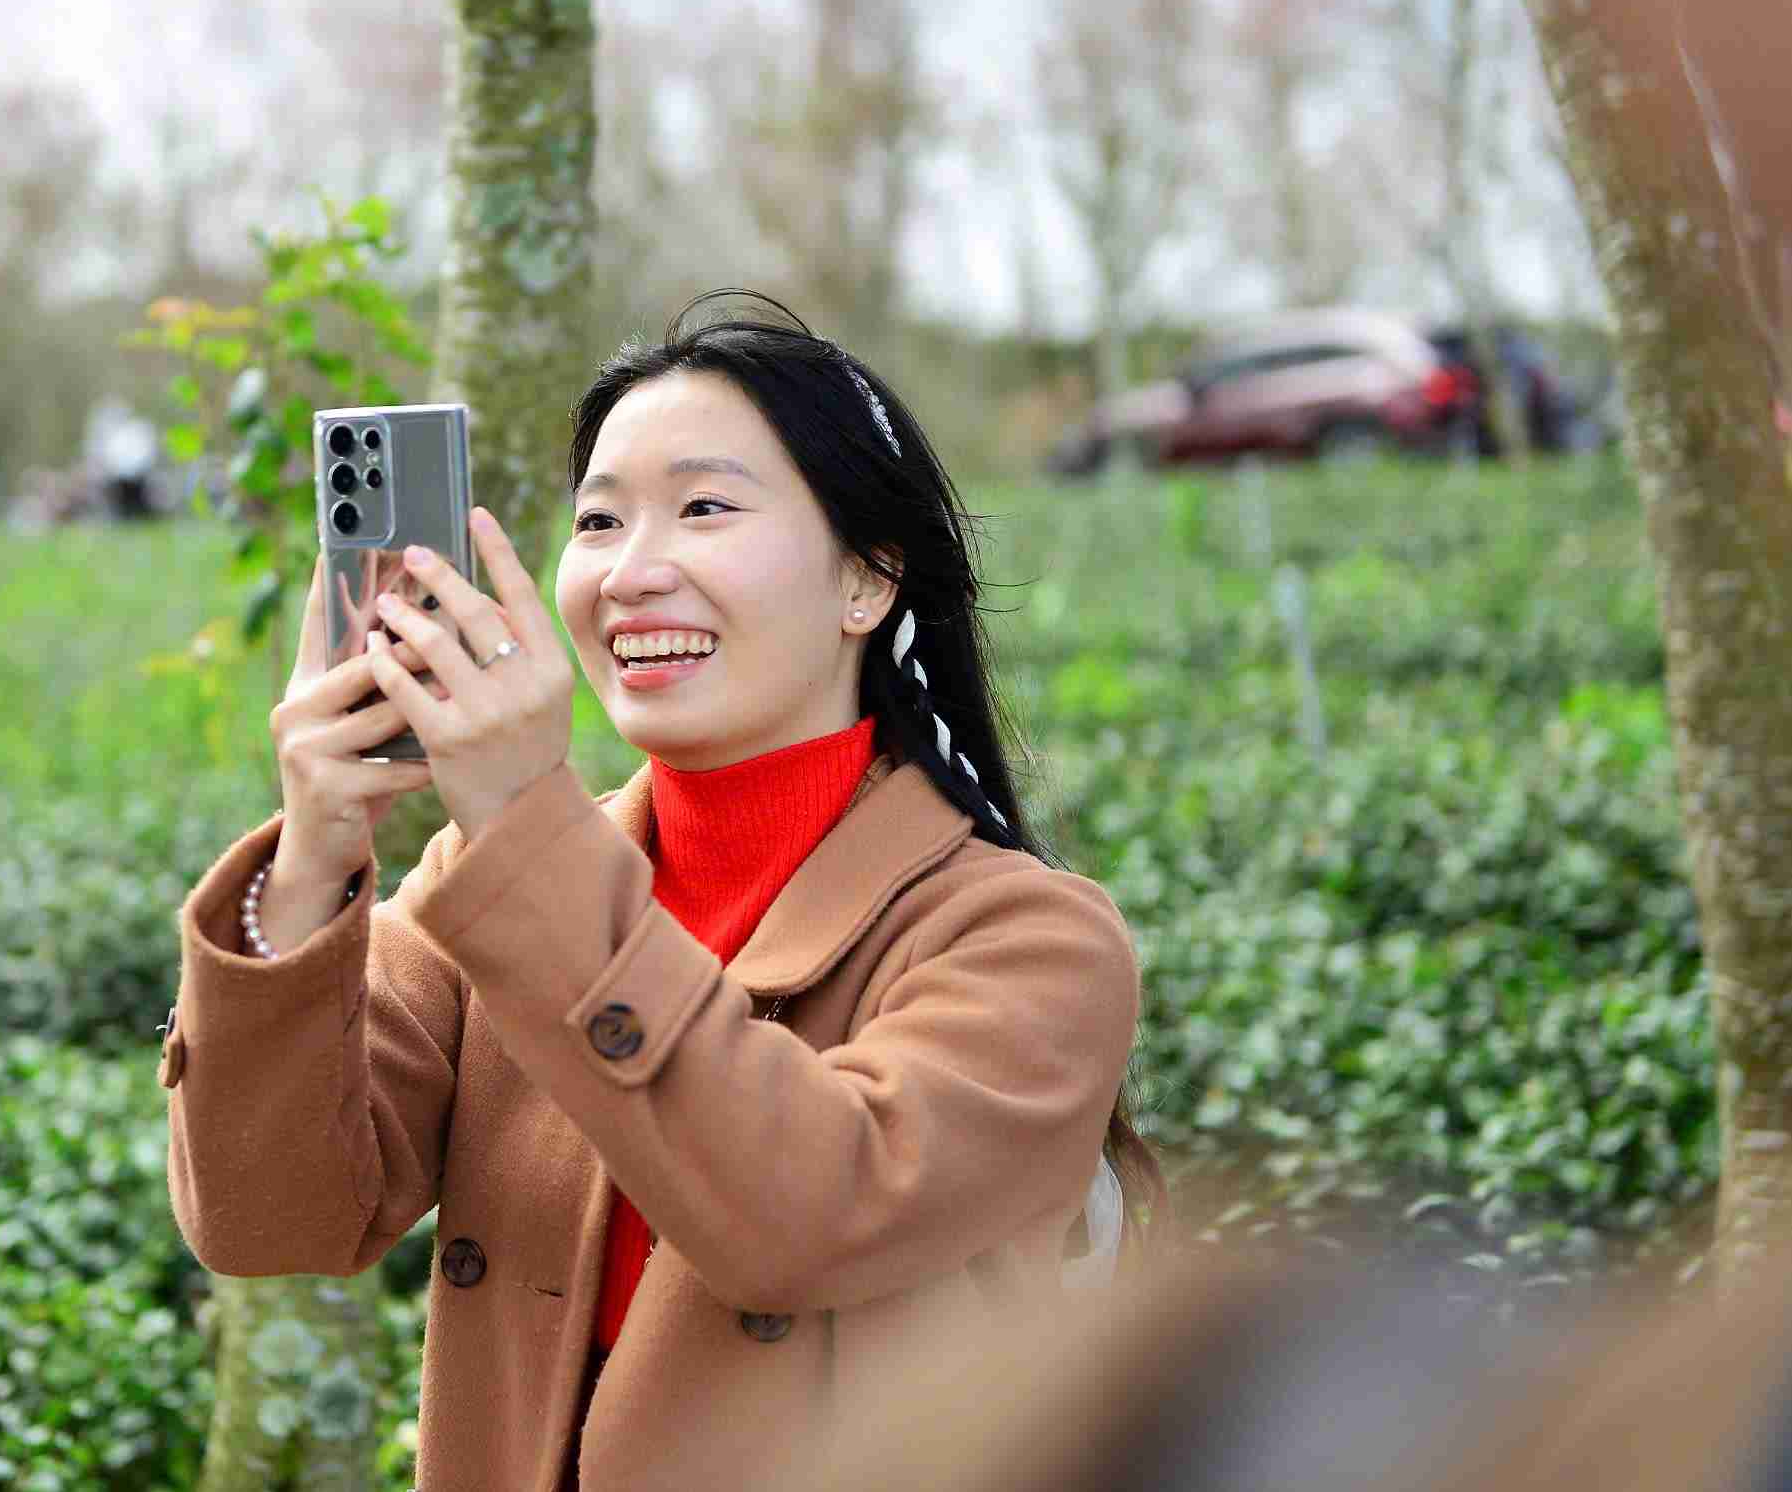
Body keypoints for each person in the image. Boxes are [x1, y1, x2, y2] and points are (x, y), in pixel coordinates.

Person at [162, 291, 1157, 1490]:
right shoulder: (488, 885)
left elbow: (806, 1216)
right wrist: (314, 859)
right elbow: (272, 1218)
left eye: (704, 508)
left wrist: (522, 825)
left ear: (868, 578)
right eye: (598, 520)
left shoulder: (1029, 940)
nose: (632, 573)